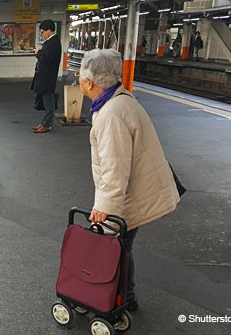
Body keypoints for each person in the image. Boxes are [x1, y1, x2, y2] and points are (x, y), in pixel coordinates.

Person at [78, 48, 180, 311]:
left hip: (130, 194)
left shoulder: (112, 114)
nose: (78, 80)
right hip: (137, 188)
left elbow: (115, 168)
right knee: (121, 247)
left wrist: (104, 208)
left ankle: (120, 299)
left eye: (80, 75)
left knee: (116, 248)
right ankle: (123, 297)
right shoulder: (119, 100)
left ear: (90, 82)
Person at [31, 19, 61, 133]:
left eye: (43, 32)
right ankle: (45, 123)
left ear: (49, 30)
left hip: (47, 77)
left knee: (48, 101)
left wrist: (38, 53)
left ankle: (47, 125)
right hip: (46, 77)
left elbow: (46, 58)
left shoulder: (54, 42)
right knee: (47, 100)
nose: (42, 34)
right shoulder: (52, 41)